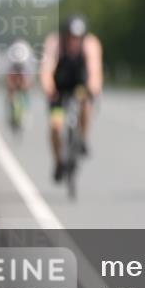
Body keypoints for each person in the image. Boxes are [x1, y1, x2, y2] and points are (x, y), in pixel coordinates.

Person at [40, 15, 103, 182]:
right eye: (70, 37)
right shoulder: (54, 43)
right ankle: (58, 161)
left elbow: (94, 70)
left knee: (86, 105)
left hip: (79, 86)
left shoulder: (90, 44)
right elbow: (46, 69)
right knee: (55, 126)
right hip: (59, 89)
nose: (73, 41)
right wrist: (49, 88)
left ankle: (82, 139)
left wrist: (93, 89)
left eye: (77, 37)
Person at [5, 38, 35, 129]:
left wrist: (26, 85)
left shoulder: (26, 62)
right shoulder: (11, 60)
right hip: (13, 70)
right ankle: (11, 108)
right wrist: (11, 88)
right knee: (10, 90)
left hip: (25, 72)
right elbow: (8, 78)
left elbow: (29, 79)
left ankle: (27, 109)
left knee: (26, 90)